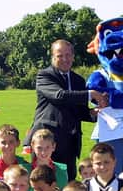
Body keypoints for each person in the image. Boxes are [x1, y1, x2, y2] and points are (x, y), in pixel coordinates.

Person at [26, 39, 105, 180]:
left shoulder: (79, 80)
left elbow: (80, 111)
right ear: (52, 57)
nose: (65, 59)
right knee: (43, 182)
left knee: (68, 184)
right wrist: (90, 94)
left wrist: (96, 113)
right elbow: (59, 95)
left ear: (73, 56)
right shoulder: (45, 75)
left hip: (70, 143)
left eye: (68, 55)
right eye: (60, 55)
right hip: (47, 143)